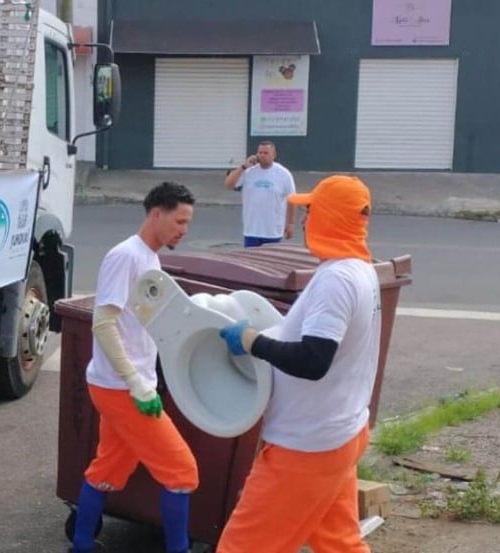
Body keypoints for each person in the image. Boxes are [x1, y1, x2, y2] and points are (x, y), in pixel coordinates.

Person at [215, 175, 382, 553]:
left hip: (306, 448)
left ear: (331, 217)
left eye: (311, 211)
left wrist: (252, 342)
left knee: (241, 548)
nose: (305, 220)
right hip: (340, 434)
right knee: (339, 544)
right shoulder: (360, 269)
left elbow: (313, 360)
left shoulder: (336, 279)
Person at [70, 181, 200, 553]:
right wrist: (136, 383)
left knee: (109, 469)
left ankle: (81, 545)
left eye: (188, 223)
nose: (184, 230)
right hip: (122, 388)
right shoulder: (126, 256)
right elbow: (103, 323)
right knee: (182, 472)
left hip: (125, 384)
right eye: (180, 221)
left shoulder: (150, 258)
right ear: (156, 213)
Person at [223, 141, 296, 248]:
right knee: (250, 262)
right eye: (260, 152)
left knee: (269, 263)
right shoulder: (248, 172)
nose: (262, 155)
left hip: (272, 231)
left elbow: (292, 199)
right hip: (252, 230)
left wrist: (291, 223)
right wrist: (243, 167)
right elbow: (228, 185)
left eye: (266, 153)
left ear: (273, 155)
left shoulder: (283, 174)